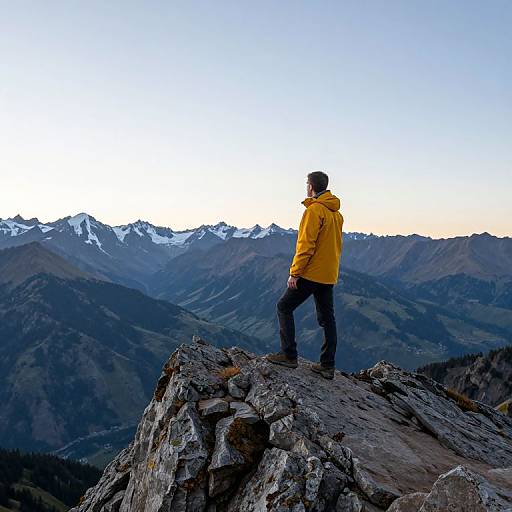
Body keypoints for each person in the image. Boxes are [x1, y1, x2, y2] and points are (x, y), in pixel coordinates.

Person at [265, 171, 344, 379]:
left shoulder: (314, 211)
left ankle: (289, 356)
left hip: (311, 273)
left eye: (306, 183)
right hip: (328, 274)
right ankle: (328, 365)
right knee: (328, 319)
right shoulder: (336, 214)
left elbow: (305, 245)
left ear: (311, 187)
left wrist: (295, 273)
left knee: (284, 307)